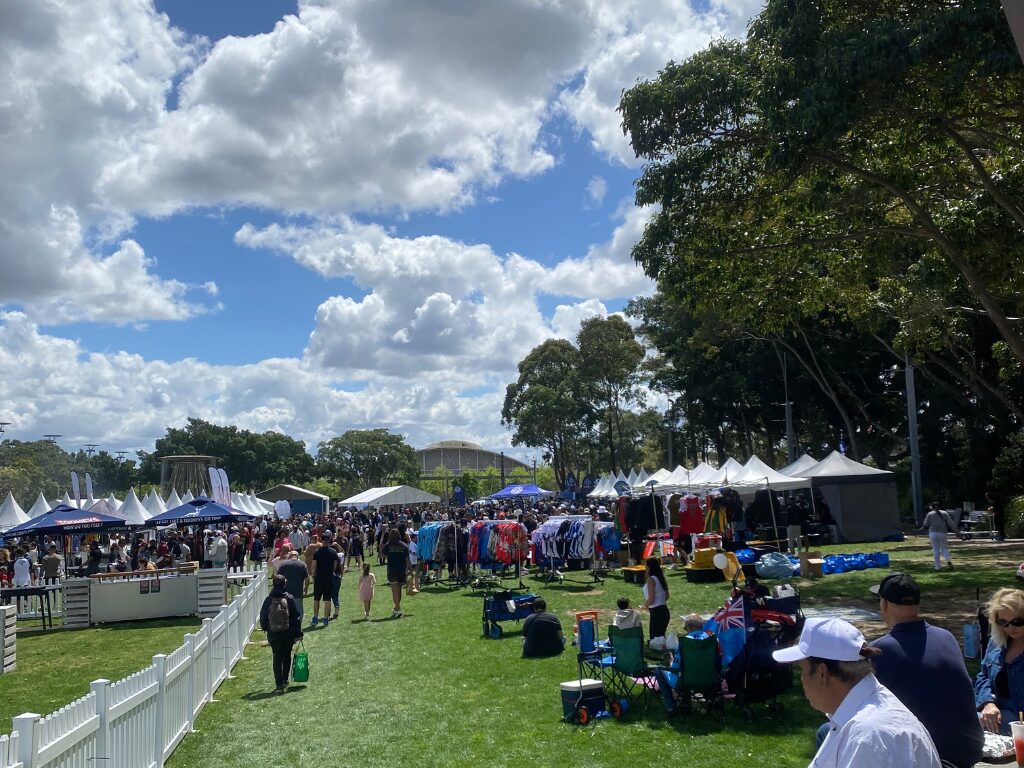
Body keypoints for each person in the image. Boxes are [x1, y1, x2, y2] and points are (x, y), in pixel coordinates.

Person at [853, 573, 983, 768]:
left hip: (926, 756)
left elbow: (857, 708)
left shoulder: (879, 651)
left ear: (885, 604)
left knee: (830, 731)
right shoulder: (946, 637)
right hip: (968, 748)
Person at [774, 617, 940, 768]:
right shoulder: (860, 716)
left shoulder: (868, 738)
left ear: (822, 673)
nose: (801, 679)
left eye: (801, 669)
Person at [975, 587, 1024, 735]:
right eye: (1002, 622)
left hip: (1017, 717)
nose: (1010, 628)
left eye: (1017, 621)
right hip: (996, 709)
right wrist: (987, 702)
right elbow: (983, 675)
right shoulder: (996, 642)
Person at [258, 574, 303, 693]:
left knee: (276, 657)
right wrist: (298, 632)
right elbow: (296, 617)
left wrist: (266, 628)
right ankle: (284, 679)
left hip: (273, 633)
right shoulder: (289, 598)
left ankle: (278, 685)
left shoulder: (268, 599)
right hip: (288, 632)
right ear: (285, 584)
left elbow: (262, 616)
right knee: (287, 655)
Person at [309, 533, 338, 627]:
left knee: (316, 599)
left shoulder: (317, 552)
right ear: (329, 541)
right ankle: (326, 619)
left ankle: (315, 617)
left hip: (319, 578)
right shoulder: (333, 552)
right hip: (329, 578)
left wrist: (313, 575)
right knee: (327, 599)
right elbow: (334, 566)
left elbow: (313, 567)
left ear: (321, 541)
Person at [274, 550, 308, 623]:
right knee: (299, 609)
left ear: (289, 556)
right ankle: (298, 626)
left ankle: (287, 624)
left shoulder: (283, 564)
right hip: (298, 591)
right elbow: (306, 578)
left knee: (286, 608)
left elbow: (278, 577)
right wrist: (306, 588)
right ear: (297, 556)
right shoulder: (302, 564)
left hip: (285, 592)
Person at [642, 557, 670, 641]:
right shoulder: (660, 577)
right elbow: (667, 595)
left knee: (655, 641)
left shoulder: (651, 580)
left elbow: (651, 599)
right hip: (664, 610)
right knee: (659, 639)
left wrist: (644, 605)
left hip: (657, 613)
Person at [385, 528, 410, 619]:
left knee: (394, 592)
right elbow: (408, 560)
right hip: (402, 570)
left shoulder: (388, 545)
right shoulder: (404, 546)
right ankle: (396, 608)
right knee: (399, 591)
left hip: (392, 570)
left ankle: (398, 609)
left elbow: (381, 555)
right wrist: (409, 570)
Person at [921, 501, 955, 570]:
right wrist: (956, 531)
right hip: (942, 533)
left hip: (932, 533)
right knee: (944, 548)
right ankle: (948, 560)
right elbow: (950, 523)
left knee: (936, 549)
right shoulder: (944, 513)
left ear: (932, 507)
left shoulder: (930, 514)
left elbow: (926, 524)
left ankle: (937, 567)